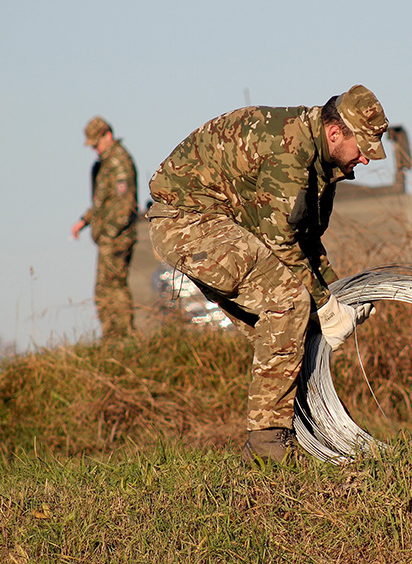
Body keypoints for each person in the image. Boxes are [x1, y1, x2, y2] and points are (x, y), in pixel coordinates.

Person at [147, 85, 388, 463]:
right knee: (289, 303)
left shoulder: (321, 160)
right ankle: (266, 447)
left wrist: (337, 293)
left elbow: (304, 240)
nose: (367, 160)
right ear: (335, 132)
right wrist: (326, 304)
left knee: (285, 330)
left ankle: (302, 432)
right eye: (363, 148)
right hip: (187, 222)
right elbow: (280, 240)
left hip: (222, 224)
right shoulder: (290, 152)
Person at [71, 116, 139, 340]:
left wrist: (109, 234)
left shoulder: (118, 161)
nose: (94, 149)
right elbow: (104, 203)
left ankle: (120, 336)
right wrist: (85, 220)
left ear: (107, 135)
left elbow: (125, 204)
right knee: (105, 288)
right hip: (109, 236)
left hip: (117, 236)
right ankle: (113, 336)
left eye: (96, 143)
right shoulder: (105, 163)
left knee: (112, 287)